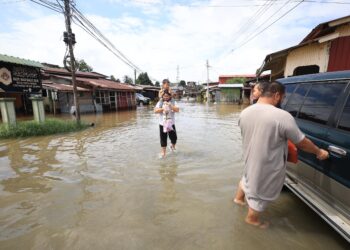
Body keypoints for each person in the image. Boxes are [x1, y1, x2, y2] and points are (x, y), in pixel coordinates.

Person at [233, 81, 329, 228]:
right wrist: (319, 151)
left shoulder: (245, 112)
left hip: (249, 158)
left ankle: (238, 200)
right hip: (267, 164)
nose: (282, 101)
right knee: (261, 190)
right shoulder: (282, 116)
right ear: (277, 95)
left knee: (248, 178)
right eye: (283, 98)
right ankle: (252, 219)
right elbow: (301, 142)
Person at [154, 90, 179, 157]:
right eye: (164, 96)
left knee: (174, 138)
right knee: (163, 139)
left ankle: (172, 147)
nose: (166, 97)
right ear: (162, 96)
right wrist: (162, 109)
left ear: (170, 96)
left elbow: (177, 110)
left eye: (167, 96)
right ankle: (163, 153)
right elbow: (155, 111)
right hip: (162, 124)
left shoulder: (173, 102)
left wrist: (170, 106)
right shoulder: (160, 102)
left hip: (171, 123)